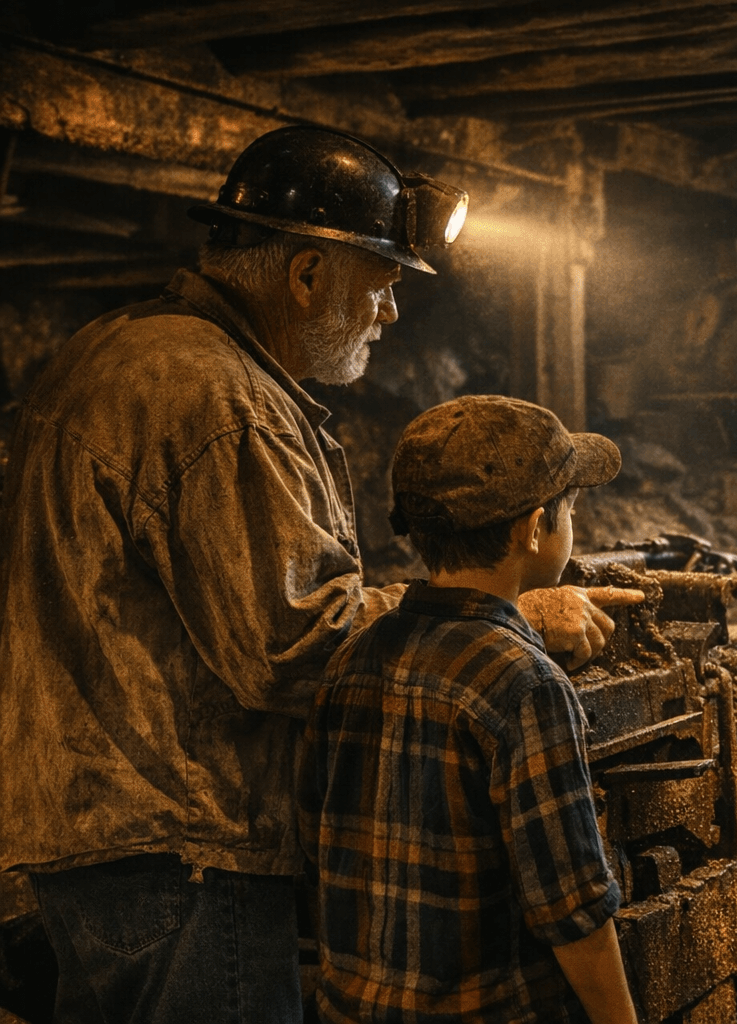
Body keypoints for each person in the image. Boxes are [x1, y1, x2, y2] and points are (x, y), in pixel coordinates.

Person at [0, 126, 625, 1022]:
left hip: (105, 834)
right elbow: (293, 643)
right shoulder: (217, 399)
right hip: (185, 848)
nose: (391, 313)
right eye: (383, 283)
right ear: (305, 273)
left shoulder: (124, 349)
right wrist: (499, 614)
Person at [298, 395, 640, 1024]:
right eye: (569, 512)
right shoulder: (527, 685)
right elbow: (572, 910)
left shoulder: (352, 660)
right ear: (532, 530)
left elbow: (318, 849)